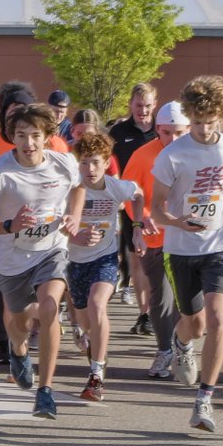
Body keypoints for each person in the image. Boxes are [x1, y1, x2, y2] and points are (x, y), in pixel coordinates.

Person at [151, 76, 223, 433]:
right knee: (194, 323)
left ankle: (204, 400)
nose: (202, 129)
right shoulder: (173, 154)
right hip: (181, 249)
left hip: (220, 245)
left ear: (221, 117)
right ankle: (182, 343)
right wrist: (178, 222)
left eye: (209, 122)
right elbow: (156, 209)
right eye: (196, 122)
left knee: (216, 319)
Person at [0, 104, 84, 419]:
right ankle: (18, 352)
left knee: (49, 308)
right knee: (18, 323)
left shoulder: (63, 164)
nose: (29, 143)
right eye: (22, 135)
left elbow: (79, 187)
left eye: (35, 135)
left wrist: (74, 214)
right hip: (13, 258)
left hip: (52, 249)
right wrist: (9, 226)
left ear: (48, 137)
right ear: (12, 137)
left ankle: (45, 390)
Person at [67, 130, 150, 401]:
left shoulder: (116, 187)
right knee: (84, 317)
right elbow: (57, 221)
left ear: (106, 163)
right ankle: (82, 331)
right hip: (74, 261)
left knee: (97, 304)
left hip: (104, 258)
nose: (89, 169)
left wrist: (136, 227)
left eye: (95, 162)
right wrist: (73, 234)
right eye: (84, 162)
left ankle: (97, 375)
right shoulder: (71, 187)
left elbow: (138, 194)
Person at [120, 101, 187, 379]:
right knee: (161, 297)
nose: (173, 139)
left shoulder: (196, 154)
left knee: (186, 299)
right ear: (157, 129)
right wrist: (142, 217)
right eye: (167, 132)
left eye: (179, 133)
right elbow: (128, 192)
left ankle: (183, 344)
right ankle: (164, 350)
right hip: (154, 237)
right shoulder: (142, 155)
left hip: (187, 238)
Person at [110, 83, 158, 306]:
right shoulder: (119, 132)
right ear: (130, 104)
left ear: (154, 105)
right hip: (131, 201)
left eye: (148, 105)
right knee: (137, 255)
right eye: (139, 105)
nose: (143, 110)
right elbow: (112, 166)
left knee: (159, 256)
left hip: (161, 199)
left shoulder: (163, 129)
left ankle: (160, 304)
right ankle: (144, 312)